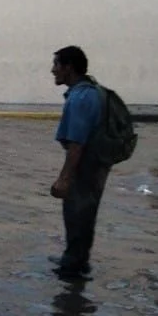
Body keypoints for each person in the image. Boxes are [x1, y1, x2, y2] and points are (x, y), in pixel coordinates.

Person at [49, 45, 109, 280]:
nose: (53, 70)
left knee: (77, 214)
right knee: (85, 214)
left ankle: (72, 269)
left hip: (85, 166)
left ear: (69, 67)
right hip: (95, 165)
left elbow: (76, 145)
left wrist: (64, 179)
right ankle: (78, 260)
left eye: (56, 65)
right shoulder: (91, 91)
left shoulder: (80, 98)